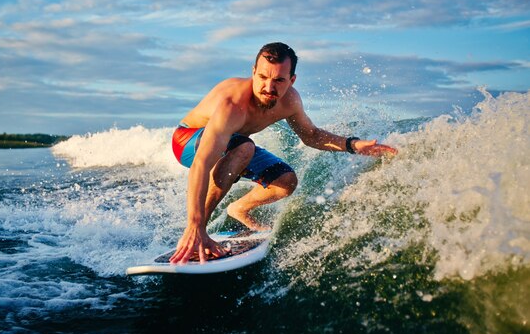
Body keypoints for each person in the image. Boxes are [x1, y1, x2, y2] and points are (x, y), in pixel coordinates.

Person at [170, 42, 397, 264]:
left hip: (234, 144)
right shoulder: (232, 104)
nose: (269, 87)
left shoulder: (290, 101)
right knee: (244, 147)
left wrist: (353, 145)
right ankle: (197, 232)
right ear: (253, 72)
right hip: (188, 140)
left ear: (291, 80)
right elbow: (201, 163)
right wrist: (195, 223)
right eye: (262, 77)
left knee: (285, 182)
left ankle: (239, 208)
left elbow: (312, 135)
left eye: (279, 80)